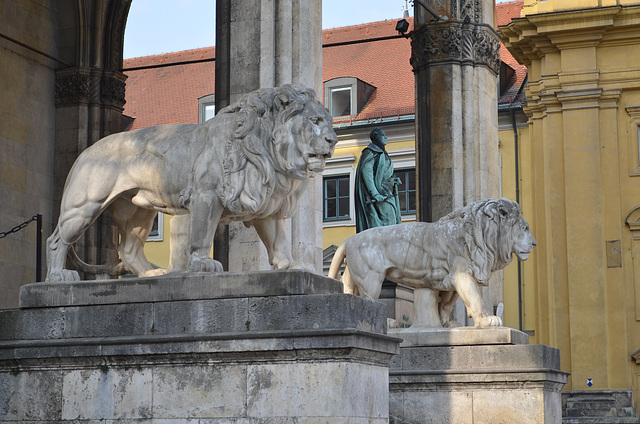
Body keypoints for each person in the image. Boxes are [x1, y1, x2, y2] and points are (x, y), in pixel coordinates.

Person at [354, 127, 402, 233]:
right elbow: (367, 173)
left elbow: (383, 172)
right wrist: (375, 194)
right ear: (376, 136)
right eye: (383, 135)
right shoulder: (370, 152)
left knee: (392, 221)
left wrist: (393, 181)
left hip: (387, 192)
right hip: (380, 194)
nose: (386, 137)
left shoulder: (382, 153)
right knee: (388, 222)